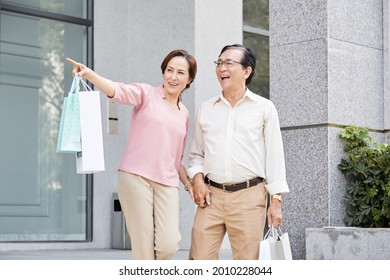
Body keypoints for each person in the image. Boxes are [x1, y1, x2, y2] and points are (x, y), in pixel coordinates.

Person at [66, 49, 196, 260]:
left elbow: (177, 156)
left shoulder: (185, 113)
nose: (173, 77)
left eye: (180, 72)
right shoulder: (146, 93)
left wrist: (189, 185)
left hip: (167, 183)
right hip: (136, 177)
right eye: (169, 70)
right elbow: (117, 90)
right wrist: (89, 74)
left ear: (189, 79)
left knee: (168, 245)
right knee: (143, 248)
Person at [187, 44, 289, 260]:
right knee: (199, 259)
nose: (222, 68)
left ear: (246, 71)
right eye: (219, 63)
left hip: (249, 196)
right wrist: (197, 179)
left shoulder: (264, 108)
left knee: (247, 264)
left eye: (229, 63)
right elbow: (196, 154)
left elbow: (274, 157)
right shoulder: (206, 108)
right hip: (211, 196)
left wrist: (276, 201)